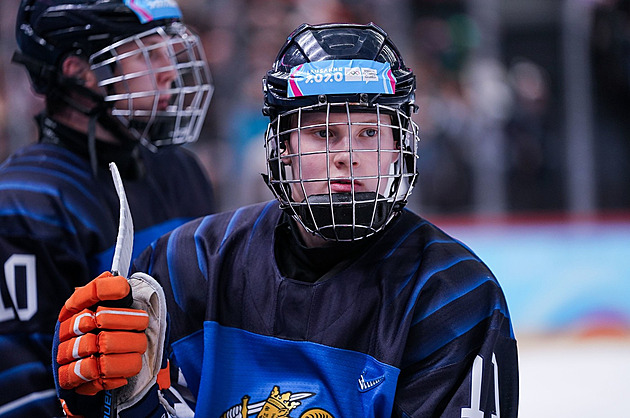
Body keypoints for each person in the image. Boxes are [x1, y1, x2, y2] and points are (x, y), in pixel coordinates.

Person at [53, 23, 519, 417]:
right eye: (323, 132)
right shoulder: (192, 263)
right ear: (282, 148)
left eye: (371, 133)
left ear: (399, 148)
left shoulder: (452, 297)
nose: (348, 157)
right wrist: (95, 394)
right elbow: (129, 402)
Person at [0, 0, 216, 416]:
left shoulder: (180, 169)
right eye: (149, 53)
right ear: (78, 71)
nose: (170, 71)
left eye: (168, 51)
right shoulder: (24, 201)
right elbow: (21, 391)